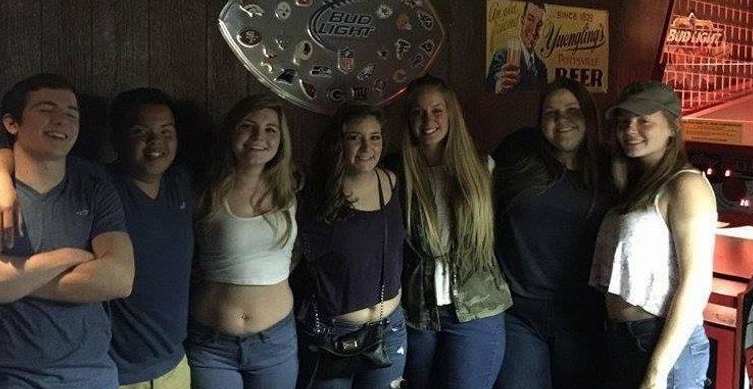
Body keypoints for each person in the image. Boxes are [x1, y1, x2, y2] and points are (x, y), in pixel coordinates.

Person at [0, 87, 195, 388]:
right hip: (115, 369)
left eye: (166, 131)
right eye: (140, 131)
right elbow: (11, 156)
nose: (156, 142)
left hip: (175, 363)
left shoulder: (181, 183)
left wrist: (13, 284)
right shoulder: (97, 183)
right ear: (117, 138)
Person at [0, 73, 135, 388]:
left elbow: (119, 279)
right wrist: (68, 257)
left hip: (90, 372)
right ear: (11, 123)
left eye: (71, 113)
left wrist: (7, 284)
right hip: (5, 375)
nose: (62, 120)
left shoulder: (94, 190)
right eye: (46, 109)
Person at [590, 81, 715, 389]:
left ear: (673, 127)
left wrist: (657, 371)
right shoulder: (633, 183)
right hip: (622, 338)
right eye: (623, 122)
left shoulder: (686, 185)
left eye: (644, 120)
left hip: (662, 342)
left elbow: (696, 283)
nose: (630, 130)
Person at [392, 75, 512, 388]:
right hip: (418, 315)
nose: (428, 120)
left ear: (451, 115)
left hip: (476, 311)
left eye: (437, 110)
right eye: (418, 112)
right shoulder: (396, 176)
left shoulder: (482, 168)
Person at [492, 77, 610, 389]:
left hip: (582, 314)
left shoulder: (609, 169)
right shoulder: (518, 153)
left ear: (588, 115)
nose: (562, 120)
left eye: (572, 110)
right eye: (551, 113)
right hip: (519, 312)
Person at [187, 94, 300, 389]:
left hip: (274, 342)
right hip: (212, 344)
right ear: (231, 132)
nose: (258, 137)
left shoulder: (293, 187)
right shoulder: (203, 191)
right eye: (247, 126)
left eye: (270, 129)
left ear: (281, 139)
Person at [295, 104, 407, 389]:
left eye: (375, 137)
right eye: (355, 137)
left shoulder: (391, 181)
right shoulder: (315, 191)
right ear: (339, 143)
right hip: (334, 333)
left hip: (389, 327)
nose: (367, 147)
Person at [486, 1, 549, 94]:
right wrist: (498, 87)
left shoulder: (541, 67)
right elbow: (489, 89)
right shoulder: (502, 55)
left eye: (539, 25)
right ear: (522, 21)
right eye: (530, 20)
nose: (534, 30)